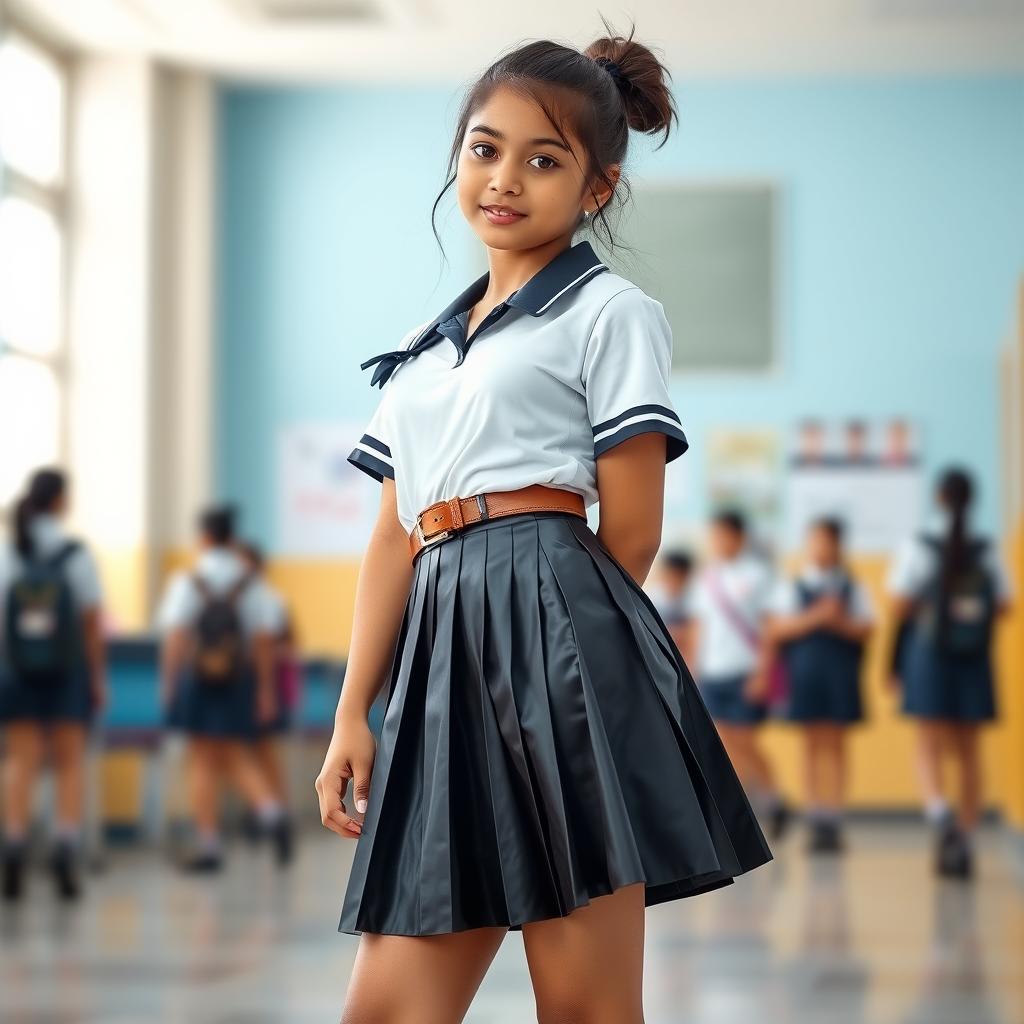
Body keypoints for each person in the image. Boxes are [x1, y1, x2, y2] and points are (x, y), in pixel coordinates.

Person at [317, 23, 772, 1022]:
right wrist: (358, 709)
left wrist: (566, 663)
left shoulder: (612, 313)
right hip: (438, 653)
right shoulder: (418, 351)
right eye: (485, 148)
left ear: (595, 188)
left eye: (543, 158)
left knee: (585, 1009)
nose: (504, 178)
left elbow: (635, 529)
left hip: (562, 647)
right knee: (386, 1008)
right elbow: (395, 535)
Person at [887, 467, 1012, 879]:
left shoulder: (920, 543)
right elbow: (1006, 605)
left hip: (930, 654)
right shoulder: (987, 546)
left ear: (940, 497)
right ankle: (968, 833)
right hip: (973, 657)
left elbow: (899, 602)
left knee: (928, 743)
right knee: (969, 750)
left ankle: (940, 817)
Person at [156, 506, 292, 871]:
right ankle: (272, 813)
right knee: (234, 753)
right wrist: (265, 691)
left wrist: (169, 684)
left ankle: (210, 844)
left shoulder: (188, 580)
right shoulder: (251, 582)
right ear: (232, 539)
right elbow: (264, 641)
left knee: (201, 759)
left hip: (196, 679)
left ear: (202, 537)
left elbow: (176, 638)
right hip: (239, 679)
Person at [0, 468, 107, 901]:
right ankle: (64, 848)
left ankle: (15, 845)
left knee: (19, 762)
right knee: (68, 763)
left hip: (16, 673)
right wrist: (96, 678)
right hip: (67, 673)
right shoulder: (75, 554)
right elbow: (91, 623)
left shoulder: (9, 553)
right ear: (60, 500)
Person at [765, 517, 874, 853]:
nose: (819, 547)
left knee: (836, 744)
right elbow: (777, 630)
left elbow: (866, 629)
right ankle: (814, 816)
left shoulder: (853, 586)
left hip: (840, 675)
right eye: (814, 540)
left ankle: (834, 817)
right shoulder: (794, 585)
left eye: (825, 541)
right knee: (811, 745)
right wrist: (817, 617)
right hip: (805, 676)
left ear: (837, 545)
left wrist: (838, 621)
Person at [684, 509, 791, 840]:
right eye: (713, 535)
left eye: (722, 534)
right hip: (713, 672)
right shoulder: (707, 578)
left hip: (745, 671)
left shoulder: (759, 575)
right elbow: (698, 628)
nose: (716, 542)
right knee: (726, 744)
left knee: (746, 741)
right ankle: (745, 811)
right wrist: (692, 669)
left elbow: (771, 627)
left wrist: (762, 671)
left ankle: (774, 801)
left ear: (739, 536)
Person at [236, 541, 300, 821]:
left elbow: (285, 642)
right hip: (250, 681)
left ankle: (275, 809)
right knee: (254, 749)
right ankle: (266, 809)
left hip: (262, 682)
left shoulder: (268, 600)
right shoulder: (261, 599)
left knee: (261, 748)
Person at [645, 548, 696, 664]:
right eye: (670, 575)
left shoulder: (693, 599)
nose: (674, 581)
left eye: (679, 576)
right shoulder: (653, 598)